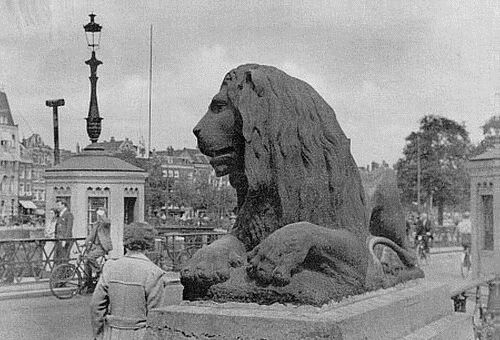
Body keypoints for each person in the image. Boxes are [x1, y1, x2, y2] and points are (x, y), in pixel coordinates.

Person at [90, 222, 167, 340]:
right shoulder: (154, 273)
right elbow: (155, 317)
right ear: (148, 245)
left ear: (126, 243)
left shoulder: (110, 267)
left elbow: (96, 306)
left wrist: (99, 335)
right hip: (140, 334)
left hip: (111, 334)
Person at [84, 207, 113, 290]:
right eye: (97, 214)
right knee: (86, 262)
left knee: (90, 257)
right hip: (95, 246)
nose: (98, 216)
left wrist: (102, 215)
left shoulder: (106, 223)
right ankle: (89, 283)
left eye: (99, 214)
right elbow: (91, 235)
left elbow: (106, 221)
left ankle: (99, 270)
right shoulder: (96, 224)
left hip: (102, 247)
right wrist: (86, 242)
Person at [54, 200, 74, 264]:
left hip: (64, 240)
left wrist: (65, 239)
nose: (57, 207)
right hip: (59, 239)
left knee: (64, 257)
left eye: (59, 205)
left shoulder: (68, 214)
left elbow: (69, 228)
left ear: (63, 205)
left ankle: (65, 272)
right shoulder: (60, 214)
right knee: (58, 257)